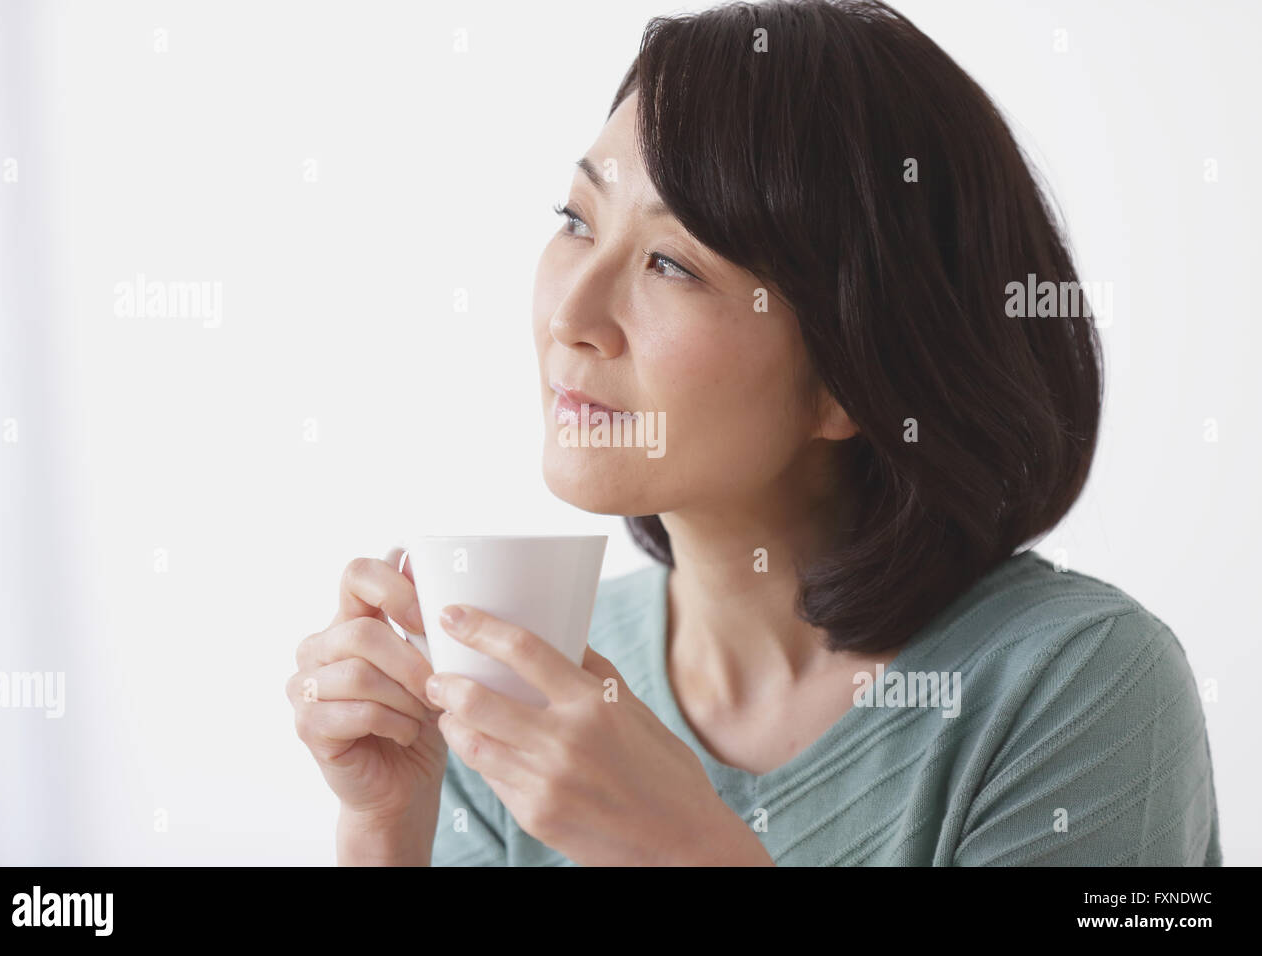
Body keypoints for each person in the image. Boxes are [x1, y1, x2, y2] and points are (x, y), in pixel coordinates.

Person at [286, 0, 1221, 866]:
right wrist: (384, 828)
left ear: (853, 376)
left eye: (670, 262)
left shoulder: (1077, 687)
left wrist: (688, 848)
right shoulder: (527, 672)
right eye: (577, 219)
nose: (571, 311)